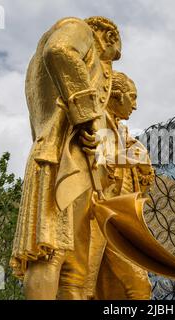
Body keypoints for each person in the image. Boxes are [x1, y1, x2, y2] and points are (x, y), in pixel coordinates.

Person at [10, 16, 121, 300]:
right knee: (50, 252)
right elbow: (58, 50)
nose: (111, 62)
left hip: (79, 163)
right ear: (108, 36)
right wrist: (87, 118)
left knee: (74, 269)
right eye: (114, 52)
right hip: (58, 156)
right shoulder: (78, 29)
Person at [86, 71, 154, 299]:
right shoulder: (95, 121)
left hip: (119, 220)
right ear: (115, 95)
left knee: (137, 285)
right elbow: (99, 157)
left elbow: (141, 170)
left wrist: (141, 162)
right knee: (85, 284)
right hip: (97, 215)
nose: (135, 106)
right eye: (132, 97)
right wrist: (136, 158)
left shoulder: (123, 132)